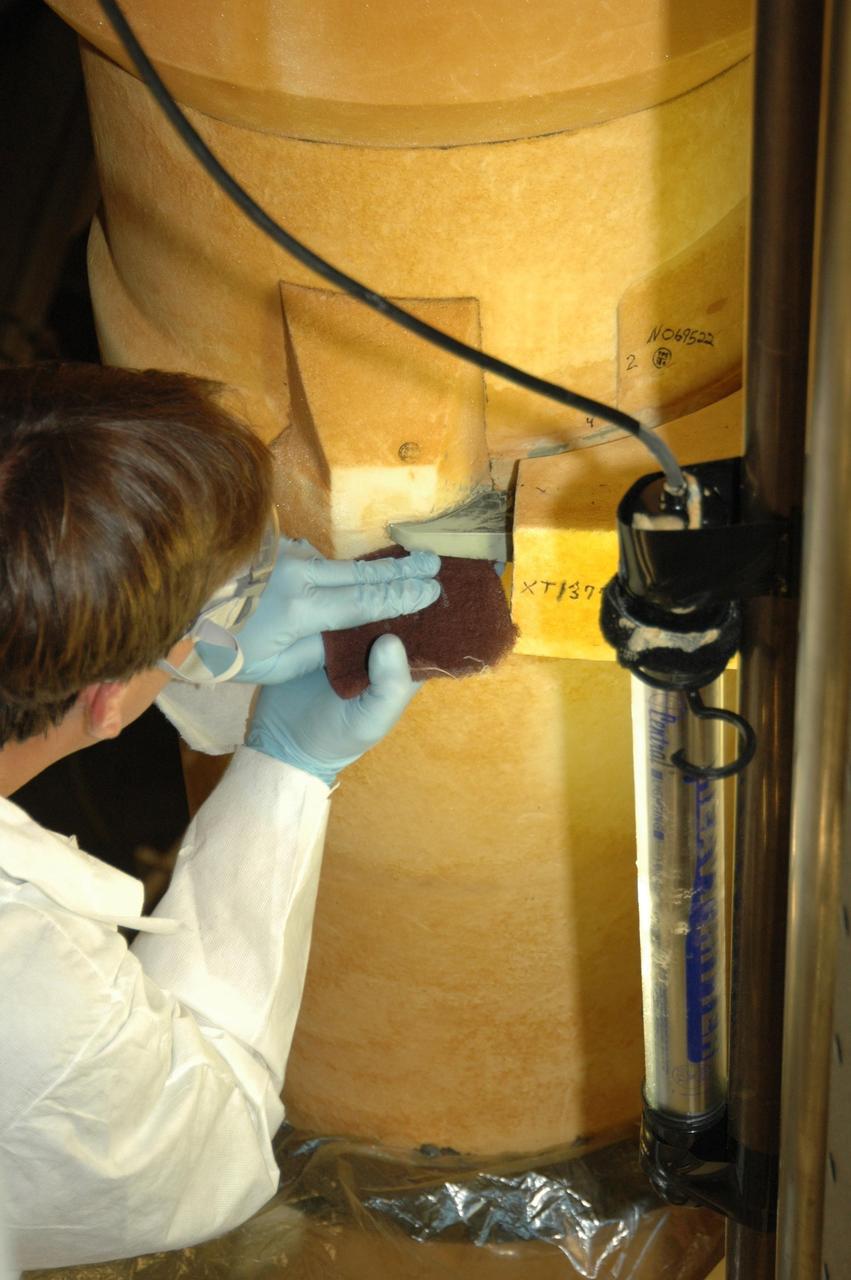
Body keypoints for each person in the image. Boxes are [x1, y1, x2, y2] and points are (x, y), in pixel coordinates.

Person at [0, 362, 442, 1272]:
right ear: (106, 702)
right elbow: (205, 1146)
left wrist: (200, 633)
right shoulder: (25, 989)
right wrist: (286, 769)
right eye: (229, 599)